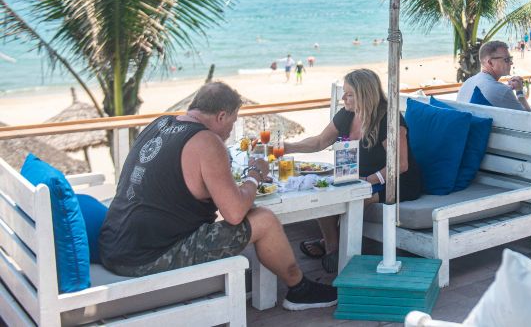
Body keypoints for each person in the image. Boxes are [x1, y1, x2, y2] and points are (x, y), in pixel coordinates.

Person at [98, 82, 336, 310]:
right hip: (148, 258)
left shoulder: (159, 124)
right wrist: (254, 175)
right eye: (232, 124)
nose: (230, 131)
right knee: (264, 220)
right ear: (221, 116)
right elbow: (234, 213)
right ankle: (299, 289)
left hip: (112, 246)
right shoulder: (207, 141)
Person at [285, 69, 422, 272]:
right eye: (344, 93)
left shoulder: (389, 119)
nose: (343, 98)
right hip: (359, 178)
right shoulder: (347, 115)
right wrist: (288, 147)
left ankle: (338, 252)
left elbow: (400, 165)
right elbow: (320, 141)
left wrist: (367, 180)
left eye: (349, 94)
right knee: (323, 195)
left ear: (365, 95)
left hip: (395, 182)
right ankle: (333, 249)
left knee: (350, 199)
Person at [457, 40, 530, 111]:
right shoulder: (502, 91)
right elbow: (528, 117)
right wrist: (519, 91)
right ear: (490, 63)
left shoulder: (467, 82)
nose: (511, 63)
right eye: (507, 59)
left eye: (510, 58)